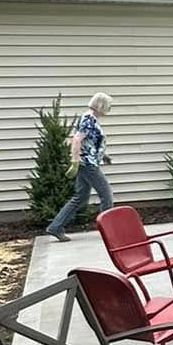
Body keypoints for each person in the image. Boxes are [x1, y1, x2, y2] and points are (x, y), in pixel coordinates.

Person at [48, 92, 114, 240]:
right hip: (88, 165)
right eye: (109, 105)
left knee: (81, 196)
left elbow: (90, 142)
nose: (110, 108)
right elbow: (77, 139)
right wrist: (75, 162)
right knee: (106, 195)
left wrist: (103, 155)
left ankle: (55, 227)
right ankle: (109, 231)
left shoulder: (91, 119)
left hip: (88, 162)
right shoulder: (89, 119)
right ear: (101, 105)